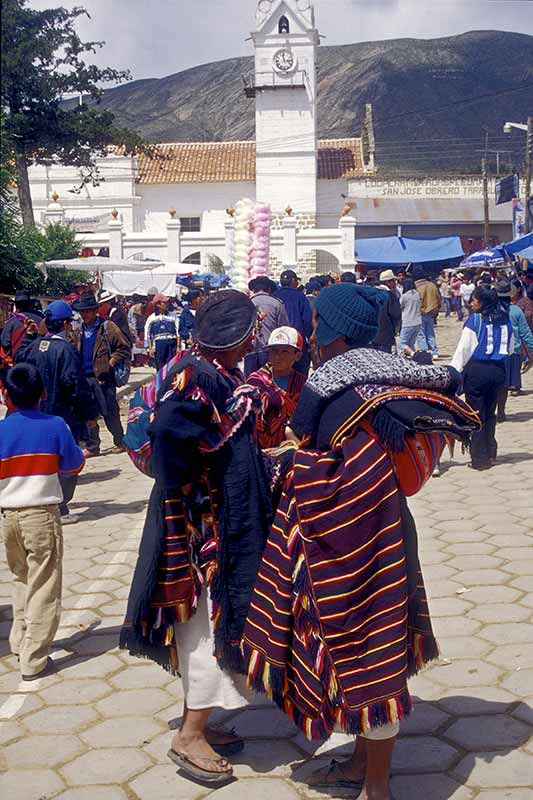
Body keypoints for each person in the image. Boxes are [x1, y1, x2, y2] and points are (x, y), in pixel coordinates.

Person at [242, 283, 478, 800]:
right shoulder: (381, 375)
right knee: (360, 652)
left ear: (339, 332)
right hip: (375, 531)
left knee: (373, 655)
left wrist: (291, 465)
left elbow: (356, 469)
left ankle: (377, 787)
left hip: (362, 539)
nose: (314, 331)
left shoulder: (343, 392)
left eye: (321, 324)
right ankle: (358, 762)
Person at [120, 290, 272, 786]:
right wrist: (197, 486)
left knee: (204, 627)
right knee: (208, 626)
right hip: (203, 530)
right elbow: (168, 435)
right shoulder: (198, 377)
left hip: (208, 520)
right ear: (243, 335)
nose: (259, 336)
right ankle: (190, 734)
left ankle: (201, 716)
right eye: (255, 329)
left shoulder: (209, 371)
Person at [0, 364, 85, 680]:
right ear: (44, 393)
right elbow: (73, 465)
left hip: (8, 517)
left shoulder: (1, 430)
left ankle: (20, 641)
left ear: (5, 395)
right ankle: (34, 659)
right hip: (41, 516)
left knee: (20, 578)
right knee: (45, 583)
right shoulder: (55, 425)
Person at [15, 301, 96, 523]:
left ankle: (47, 505)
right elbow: (75, 386)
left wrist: (31, 336)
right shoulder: (66, 349)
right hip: (62, 416)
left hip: (36, 414)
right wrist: (89, 416)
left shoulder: (34, 346)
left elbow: (19, 361)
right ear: (66, 324)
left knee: (44, 463)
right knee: (67, 462)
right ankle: (60, 507)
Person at [451, 285, 513, 470]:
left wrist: (452, 372)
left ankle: (479, 459)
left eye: (474, 300)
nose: (471, 303)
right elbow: (510, 348)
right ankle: (491, 452)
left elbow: (463, 350)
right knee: (490, 412)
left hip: (478, 371)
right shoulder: (505, 320)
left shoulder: (475, 321)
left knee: (476, 415)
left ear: (482, 302)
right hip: (498, 371)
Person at [73, 291, 131, 455]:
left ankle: (120, 441)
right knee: (89, 414)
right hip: (86, 378)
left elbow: (124, 348)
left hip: (104, 378)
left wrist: (111, 362)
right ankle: (93, 446)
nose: (84, 314)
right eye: (82, 311)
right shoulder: (79, 331)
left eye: (87, 311)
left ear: (95, 311)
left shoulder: (108, 327)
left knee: (110, 412)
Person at [247, 326, 306, 449]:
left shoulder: (303, 384)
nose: (278, 356)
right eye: (274, 351)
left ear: (298, 355)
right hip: (262, 449)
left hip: (293, 449)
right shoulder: (256, 382)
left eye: (285, 351)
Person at [244, 276, 289, 376]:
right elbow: (284, 329)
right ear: (269, 289)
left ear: (254, 289)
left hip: (250, 350)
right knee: (269, 384)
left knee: (250, 384)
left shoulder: (247, 303)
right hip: (270, 351)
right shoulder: (276, 304)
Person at [274, 269, 312, 376]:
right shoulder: (300, 296)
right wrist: (309, 340)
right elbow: (307, 321)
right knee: (299, 374)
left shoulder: (274, 295)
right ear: (293, 281)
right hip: (297, 341)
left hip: (278, 341)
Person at [0, 290, 43, 359]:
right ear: (30, 304)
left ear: (16, 305)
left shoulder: (11, 322)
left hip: (18, 362)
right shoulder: (41, 319)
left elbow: (5, 343)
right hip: (38, 361)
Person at [144, 293, 180, 370]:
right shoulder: (152, 318)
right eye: (165, 302)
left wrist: (178, 346)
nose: (167, 304)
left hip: (171, 343)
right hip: (159, 345)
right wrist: (150, 348)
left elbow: (178, 332)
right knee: (160, 367)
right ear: (158, 305)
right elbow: (148, 335)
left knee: (171, 367)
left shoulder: (173, 316)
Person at [413, 266, 441, 357]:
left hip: (419, 313)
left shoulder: (415, 286)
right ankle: (434, 352)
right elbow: (438, 298)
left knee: (420, 335)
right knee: (430, 333)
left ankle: (425, 353)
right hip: (431, 313)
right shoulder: (432, 285)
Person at [372, 269, 402, 353]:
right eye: (393, 281)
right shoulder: (390, 296)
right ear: (388, 282)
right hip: (385, 335)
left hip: (371, 334)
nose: (395, 283)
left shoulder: (371, 293)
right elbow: (396, 314)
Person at [399, 277, 422, 352]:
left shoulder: (405, 296)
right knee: (411, 344)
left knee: (402, 344)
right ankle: (414, 358)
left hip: (408, 322)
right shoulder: (417, 294)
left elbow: (400, 307)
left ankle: (414, 355)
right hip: (418, 321)